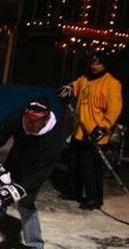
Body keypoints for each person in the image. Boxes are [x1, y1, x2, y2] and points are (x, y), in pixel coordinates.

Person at [0, 96, 64, 249]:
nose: (30, 124)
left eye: (35, 121)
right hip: (16, 159)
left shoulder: (55, 137)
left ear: (46, 119)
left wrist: (14, 192)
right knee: (1, 188)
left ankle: (35, 246)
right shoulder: (17, 117)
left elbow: (40, 174)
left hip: (34, 170)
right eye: (28, 118)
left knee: (25, 203)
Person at [58, 53, 123, 210]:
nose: (94, 66)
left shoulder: (112, 83)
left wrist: (104, 127)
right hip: (80, 130)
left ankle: (94, 198)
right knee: (74, 163)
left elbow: (115, 108)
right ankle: (74, 191)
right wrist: (68, 89)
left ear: (105, 65)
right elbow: (74, 86)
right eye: (93, 63)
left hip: (96, 134)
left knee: (91, 168)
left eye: (98, 64)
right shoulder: (85, 79)